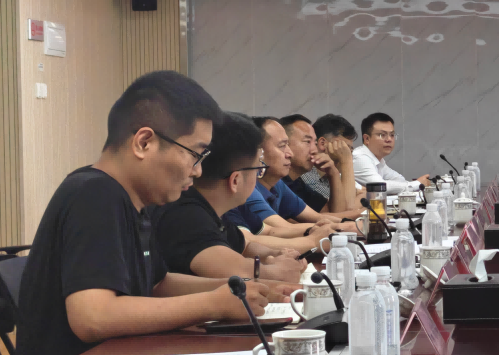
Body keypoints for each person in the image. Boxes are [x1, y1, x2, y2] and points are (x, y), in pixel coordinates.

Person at [10, 71, 277, 355]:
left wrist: (239, 288)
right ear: (144, 143)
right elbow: (92, 316)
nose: (198, 170)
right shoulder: (94, 194)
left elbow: (157, 283)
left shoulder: (136, 201)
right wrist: (211, 304)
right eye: (195, 154)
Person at [153, 112, 308, 283]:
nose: (258, 176)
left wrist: (276, 254)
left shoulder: (211, 209)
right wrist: (274, 271)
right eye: (258, 169)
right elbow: (234, 269)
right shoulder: (186, 215)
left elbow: (245, 246)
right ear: (235, 180)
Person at [224, 117, 352, 238]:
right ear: (257, 152)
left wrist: (348, 225)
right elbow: (276, 231)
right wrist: (327, 232)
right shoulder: (247, 189)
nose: (289, 153)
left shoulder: (278, 184)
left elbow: (318, 218)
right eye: (282, 146)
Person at [282, 114, 362, 216]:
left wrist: (333, 173)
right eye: (307, 142)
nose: (314, 150)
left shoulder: (297, 183)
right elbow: (344, 212)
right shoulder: (299, 178)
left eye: (314, 143)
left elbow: (337, 212)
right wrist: (346, 161)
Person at [352, 112, 432, 192]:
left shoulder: (378, 159)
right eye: (382, 135)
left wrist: (415, 184)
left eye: (392, 135)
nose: (389, 139)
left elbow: (400, 180)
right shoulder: (360, 158)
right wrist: (417, 184)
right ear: (367, 139)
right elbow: (379, 186)